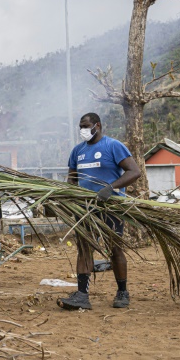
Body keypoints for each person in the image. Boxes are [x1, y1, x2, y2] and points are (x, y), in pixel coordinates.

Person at [58, 113, 142, 310]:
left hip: (110, 206)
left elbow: (134, 172)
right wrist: (71, 195)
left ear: (98, 125)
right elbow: (72, 178)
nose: (82, 130)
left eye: (86, 126)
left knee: (114, 248)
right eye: (80, 127)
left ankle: (122, 292)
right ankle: (82, 296)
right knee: (84, 248)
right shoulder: (77, 151)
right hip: (85, 208)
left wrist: (110, 188)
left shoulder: (112, 146)